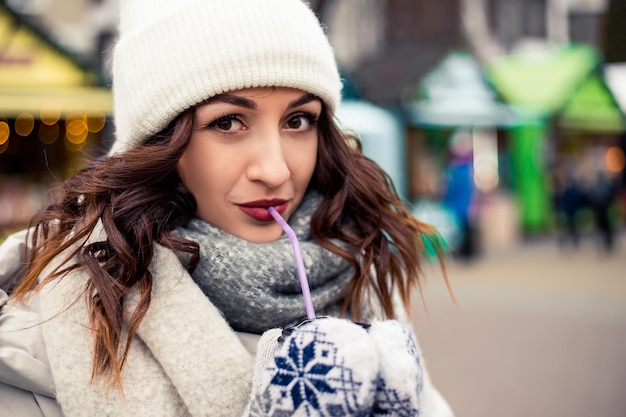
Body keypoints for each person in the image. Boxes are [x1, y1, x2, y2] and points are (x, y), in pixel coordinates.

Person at [0, 0, 455, 416]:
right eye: (228, 122)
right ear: (161, 142)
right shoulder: (47, 334)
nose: (275, 171)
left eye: (298, 120)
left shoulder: (358, 280)